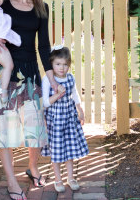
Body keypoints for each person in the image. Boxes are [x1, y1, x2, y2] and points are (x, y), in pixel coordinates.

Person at [0, 0, 60, 200]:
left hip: (29, 74)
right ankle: (12, 183)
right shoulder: (1, 2)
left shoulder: (41, 8)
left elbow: (44, 47)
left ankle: (33, 167)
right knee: (5, 129)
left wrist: (52, 79)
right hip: (4, 70)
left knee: (34, 128)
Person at [41, 45, 88, 193]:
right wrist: (57, 94)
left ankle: (71, 177)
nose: (62, 68)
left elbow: (74, 94)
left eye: (65, 65)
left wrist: (79, 110)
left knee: (69, 149)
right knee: (57, 151)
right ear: (51, 64)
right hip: (55, 121)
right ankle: (58, 179)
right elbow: (45, 102)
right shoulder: (48, 79)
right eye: (58, 64)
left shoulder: (70, 77)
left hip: (68, 118)